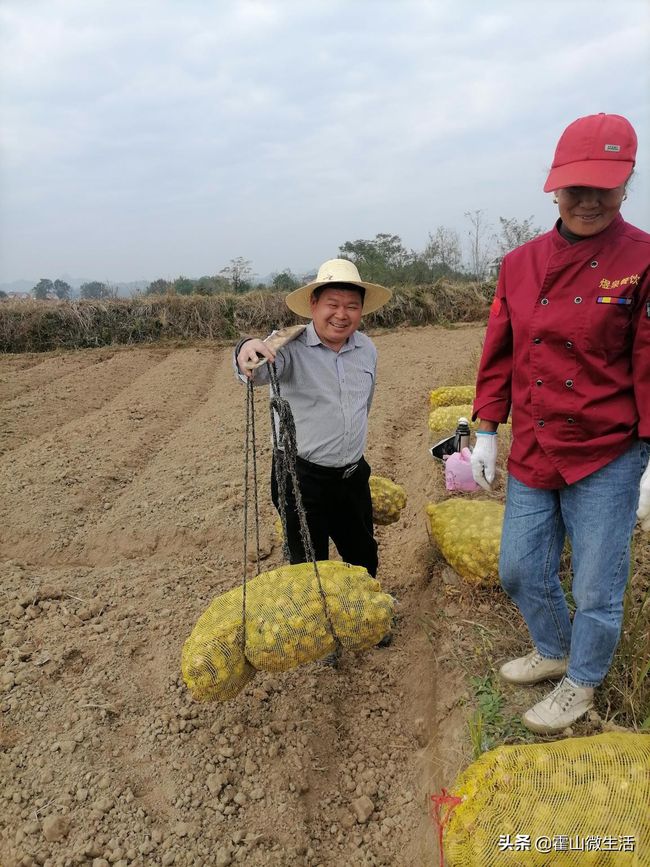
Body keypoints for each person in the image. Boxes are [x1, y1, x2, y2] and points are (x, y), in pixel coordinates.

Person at [470, 113, 650, 734]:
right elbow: (500, 349)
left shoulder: (642, 259)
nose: (588, 200)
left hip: (608, 449)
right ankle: (554, 648)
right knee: (518, 566)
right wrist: (488, 427)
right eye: (575, 187)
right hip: (538, 444)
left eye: (603, 186)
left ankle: (583, 682)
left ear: (626, 183)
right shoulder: (520, 263)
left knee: (599, 582)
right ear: (554, 186)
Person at [234, 258, 392, 580]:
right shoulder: (289, 347)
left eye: (351, 306)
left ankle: (362, 620)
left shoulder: (366, 349)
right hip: (301, 479)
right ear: (313, 304)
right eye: (332, 304)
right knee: (308, 569)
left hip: (352, 476)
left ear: (361, 310)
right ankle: (317, 626)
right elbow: (254, 369)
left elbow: (365, 405)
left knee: (363, 557)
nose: (341, 314)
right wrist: (245, 347)